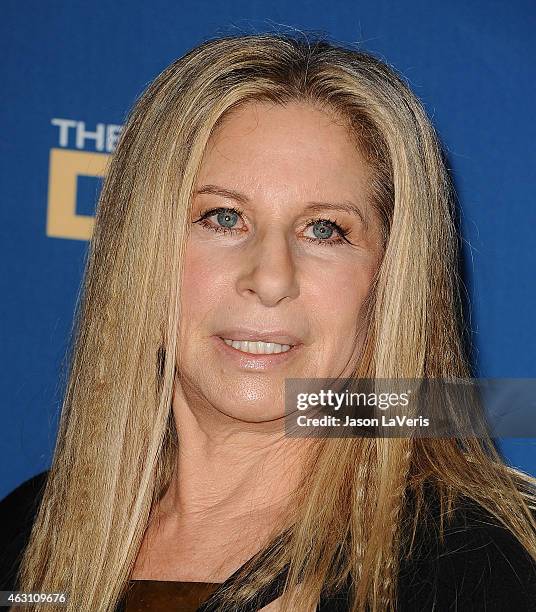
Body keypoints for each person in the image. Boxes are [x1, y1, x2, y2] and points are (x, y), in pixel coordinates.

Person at [1, 32, 536, 612]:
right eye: (223, 218)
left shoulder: (475, 569)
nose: (272, 277)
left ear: (388, 280)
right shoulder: (28, 533)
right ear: (140, 250)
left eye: (325, 230)